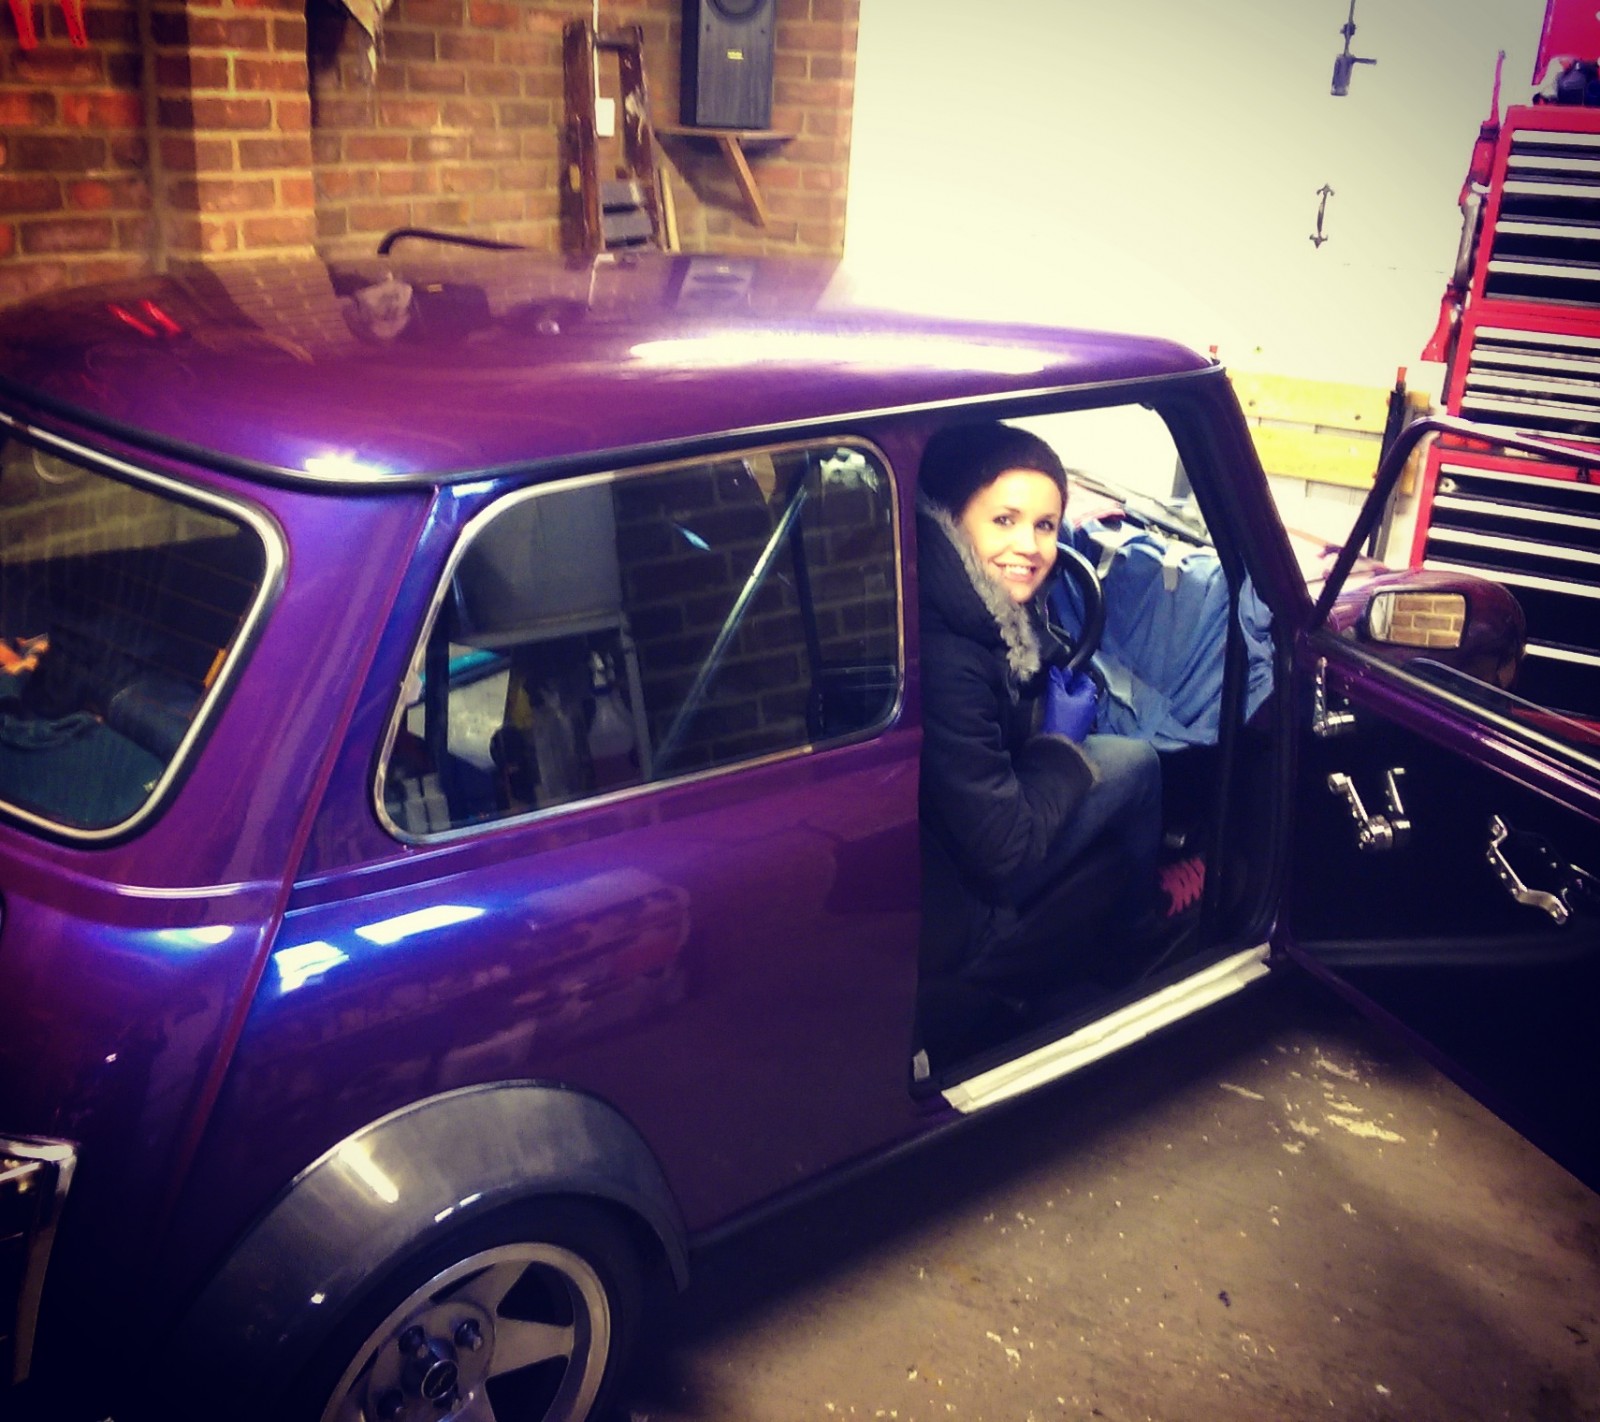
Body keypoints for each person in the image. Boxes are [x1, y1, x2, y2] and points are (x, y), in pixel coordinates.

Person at [916, 422, 1170, 1041]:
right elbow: (1004, 851)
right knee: (1138, 764)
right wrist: (1058, 747)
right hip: (965, 899)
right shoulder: (949, 656)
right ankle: (1141, 941)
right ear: (954, 521)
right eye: (1004, 520)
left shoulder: (967, 600)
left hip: (954, 849)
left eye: (1046, 525)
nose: (1029, 546)